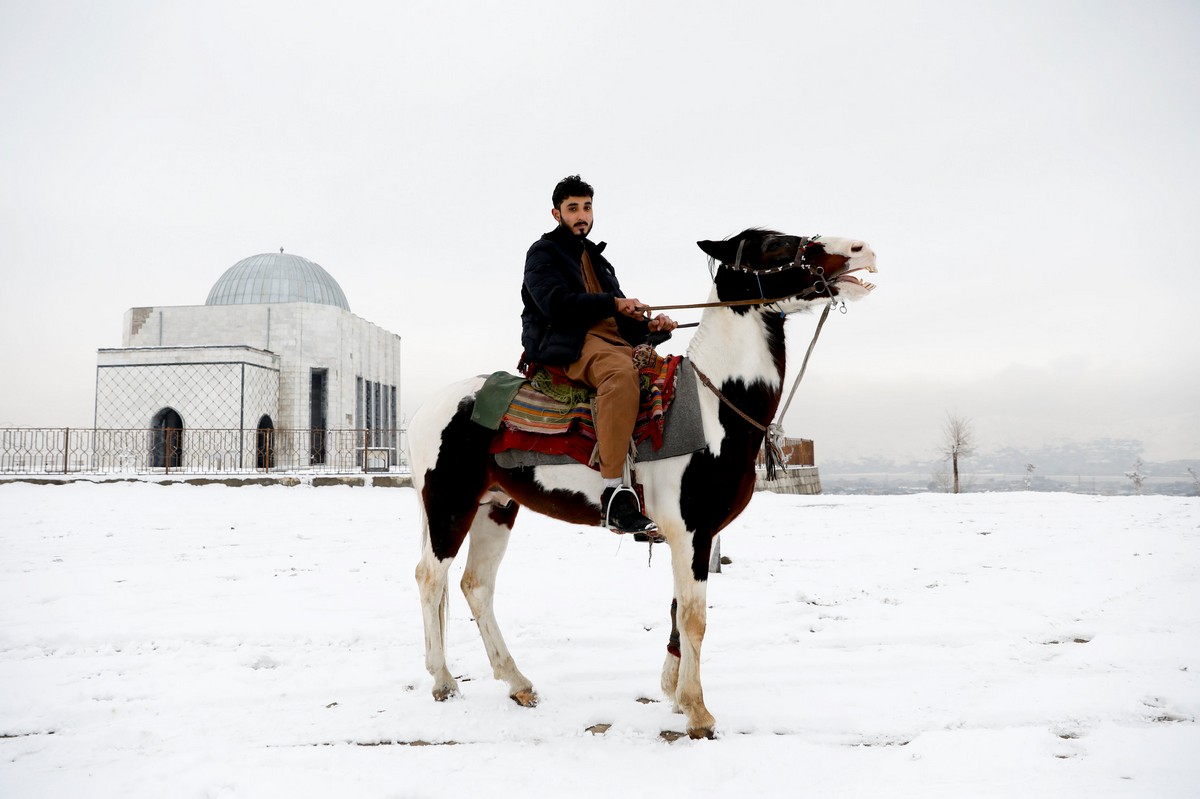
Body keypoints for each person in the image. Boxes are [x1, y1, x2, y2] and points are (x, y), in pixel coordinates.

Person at [520, 175, 677, 534]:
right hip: (571, 341)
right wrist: (614, 302)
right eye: (573, 208)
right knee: (620, 378)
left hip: (613, 342)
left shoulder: (599, 261)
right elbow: (554, 304)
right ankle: (614, 496)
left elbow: (620, 320)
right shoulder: (543, 252)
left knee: (667, 377)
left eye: (587, 207)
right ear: (556, 213)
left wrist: (651, 329)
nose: (581, 215)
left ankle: (656, 488)